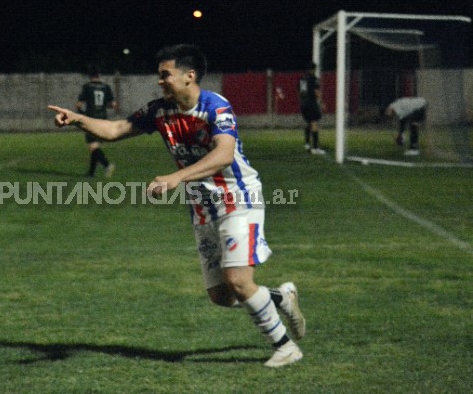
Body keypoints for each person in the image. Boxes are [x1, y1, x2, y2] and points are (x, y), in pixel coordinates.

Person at [49, 44, 305, 368]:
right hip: (202, 207)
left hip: (238, 199)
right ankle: (281, 297)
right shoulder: (160, 111)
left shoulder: (215, 106)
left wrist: (176, 178)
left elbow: (224, 154)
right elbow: (115, 129)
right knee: (222, 296)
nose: (160, 82)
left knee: (238, 280)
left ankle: (285, 347)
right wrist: (76, 119)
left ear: (189, 76)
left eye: (165, 75)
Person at [76, 64, 118, 177]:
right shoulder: (106, 87)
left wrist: (83, 115)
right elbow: (113, 105)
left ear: (89, 75)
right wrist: (104, 106)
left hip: (91, 119)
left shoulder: (87, 87)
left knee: (93, 146)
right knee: (95, 146)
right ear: (99, 74)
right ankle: (91, 173)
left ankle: (107, 165)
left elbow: (78, 105)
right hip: (103, 119)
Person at [298, 62, 325, 155]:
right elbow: (317, 92)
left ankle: (307, 143)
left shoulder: (302, 79)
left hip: (303, 104)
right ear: (313, 69)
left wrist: (302, 103)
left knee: (308, 123)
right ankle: (316, 148)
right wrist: (321, 103)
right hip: (311, 103)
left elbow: (301, 92)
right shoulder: (314, 79)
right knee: (314, 123)